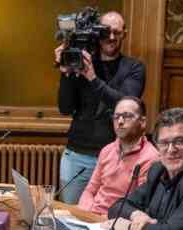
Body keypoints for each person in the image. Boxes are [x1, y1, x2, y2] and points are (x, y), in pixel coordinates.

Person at [55, 10, 146, 204]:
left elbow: (125, 104)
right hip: (77, 157)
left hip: (116, 159)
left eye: (117, 32)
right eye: (106, 32)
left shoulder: (134, 68)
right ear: (97, 34)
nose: (111, 37)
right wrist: (65, 73)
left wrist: (93, 79)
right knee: (72, 217)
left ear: (124, 34)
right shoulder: (81, 62)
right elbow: (65, 107)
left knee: (107, 220)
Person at [77, 96, 158, 216]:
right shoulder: (107, 150)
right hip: (93, 217)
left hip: (117, 222)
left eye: (127, 116)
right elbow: (90, 190)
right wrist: (86, 213)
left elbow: (140, 205)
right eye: (116, 117)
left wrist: (104, 220)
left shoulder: (151, 157)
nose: (120, 121)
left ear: (142, 122)